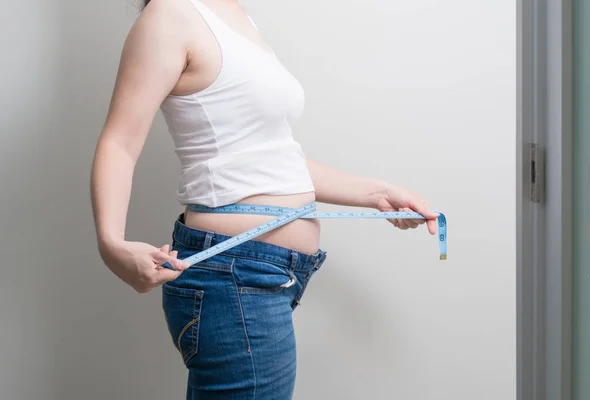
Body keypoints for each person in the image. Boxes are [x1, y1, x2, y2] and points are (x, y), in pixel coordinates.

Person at [90, 0, 439, 398]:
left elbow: (272, 161)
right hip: (234, 274)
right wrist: (110, 243)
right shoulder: (170, 15)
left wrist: (379, 193)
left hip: (264, 274)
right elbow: (120, 142)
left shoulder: (238, 16)